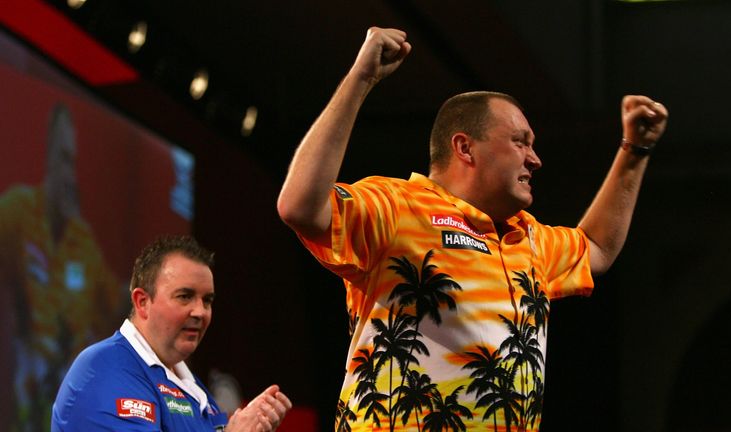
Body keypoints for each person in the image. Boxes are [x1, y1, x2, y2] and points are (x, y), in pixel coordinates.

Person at [277, 27, 668, 431]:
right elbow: (299, 206)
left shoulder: (527, 237)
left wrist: (635, 151)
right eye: (521, 141)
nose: (535, 159)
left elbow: (596, 248)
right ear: (465, 148)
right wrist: (361, 78)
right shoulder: (397, 206)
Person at [51, 235, 292, 431]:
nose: (200, 312)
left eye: (207, 300)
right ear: (142, 302)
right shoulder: (104, 368)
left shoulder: (191, 387)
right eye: (185, 296)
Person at [0, 103, 123, 430]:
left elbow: (118, 304)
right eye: (64, 160)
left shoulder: (84, 243)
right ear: (48, 159)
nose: (70, 176)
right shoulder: (17, 212)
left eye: (75, 164)